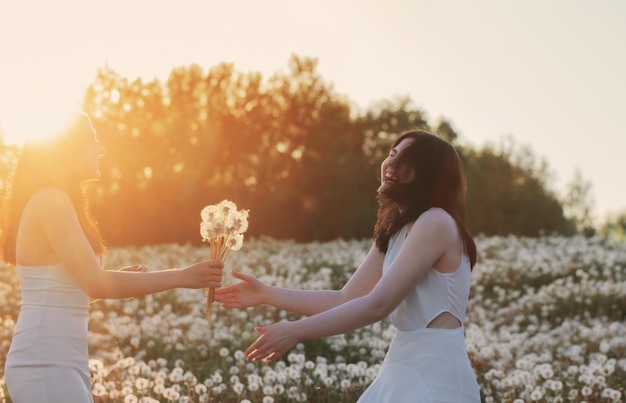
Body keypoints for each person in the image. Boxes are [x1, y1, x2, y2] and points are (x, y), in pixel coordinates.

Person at [215, 129, 481, 402]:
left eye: (405, 159)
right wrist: (266, 294)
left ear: (428, 174)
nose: (390, 163)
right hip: (399, 369)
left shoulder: (436, 221)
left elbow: (378, 305)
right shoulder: (396, 230)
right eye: (391, 154)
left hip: (436, 378)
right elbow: (345, 298)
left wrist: (296, 330)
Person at [0, 111, 224, 403]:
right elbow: (96, 285)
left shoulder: (57, 200)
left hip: (62, 361)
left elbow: (76, 291)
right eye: (92, 140)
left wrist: (121, 278)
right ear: (66, 149)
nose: (101, 149)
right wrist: (182, 276)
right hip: (44, 362)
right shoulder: (50, 201)